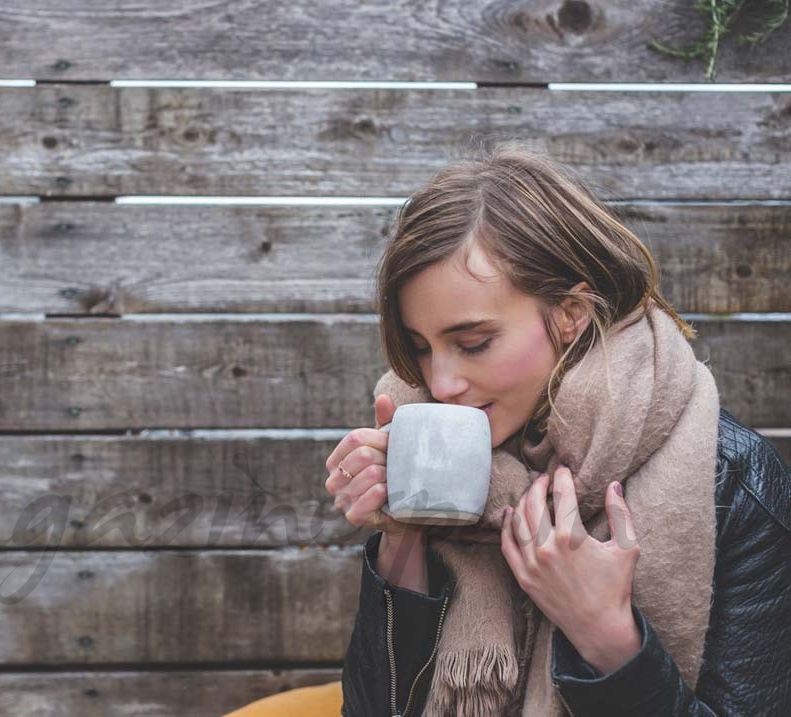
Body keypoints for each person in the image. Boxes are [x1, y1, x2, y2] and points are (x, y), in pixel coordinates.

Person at [223, 141, 791, 716]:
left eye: (474, 343)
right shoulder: (441, 458)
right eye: (420, 348)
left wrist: (604, 635)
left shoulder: (734, 486)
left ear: (572, 314)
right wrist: (403, 540)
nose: (441, 384)